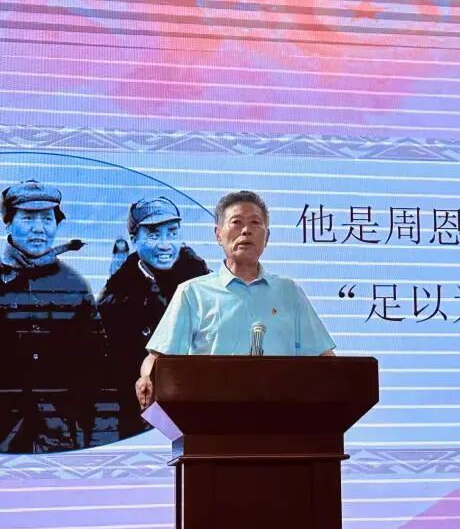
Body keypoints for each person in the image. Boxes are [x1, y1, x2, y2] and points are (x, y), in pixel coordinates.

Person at [135, 191, 335, 408]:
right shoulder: (193, 292)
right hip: (209, 417)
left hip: (280, 416)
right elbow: (157, 357)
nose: (246, 230)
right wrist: (146, 378)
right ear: (218, 234)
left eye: (255, 223)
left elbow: (324, 357)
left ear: (267, 237)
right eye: (237, 222)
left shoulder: (289, 292)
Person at [0, 180, 104, 453]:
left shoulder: (75, 286)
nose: (39, 228)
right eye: (28, 218)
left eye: (47, 219)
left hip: (59, 437)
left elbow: (97, 369)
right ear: (8, 223)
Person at [98, 197, 209, 437]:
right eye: (154, 235)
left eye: (172, 233)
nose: (165, 244)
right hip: (140, 415)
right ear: (134, 239)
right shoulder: (116, 298)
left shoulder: (204, 284)